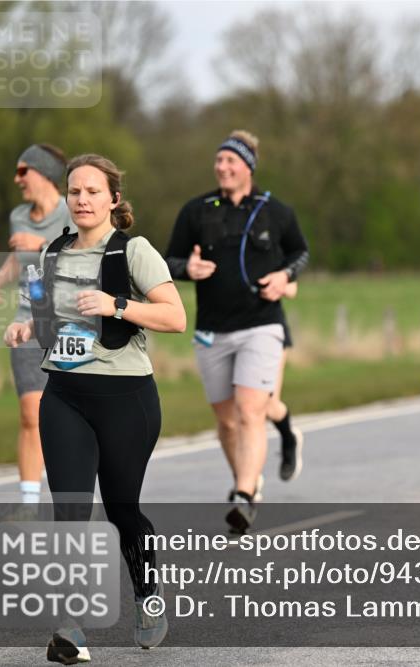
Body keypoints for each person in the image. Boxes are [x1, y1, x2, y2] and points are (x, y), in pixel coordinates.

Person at [4, 154, 186, 662]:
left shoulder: (134, 251)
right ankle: (70, 629)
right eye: (74, 191)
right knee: (70, 510)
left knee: (123, 509)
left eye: (92, 191)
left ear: (112, 199)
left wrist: (117, 306)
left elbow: (176, 317)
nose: (81, 200)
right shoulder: (52, 252)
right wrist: (24, 327)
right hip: (64, 394)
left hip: (127, 399)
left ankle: (148, 596)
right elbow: (35, 310)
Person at [165, 130, 309, 534]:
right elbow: (167, 260)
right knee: (227, 422)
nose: (222, 167)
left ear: (248, 166)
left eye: (231, 161)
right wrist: (186, 270)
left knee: (251, 412)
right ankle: (247, 479)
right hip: (212, 329)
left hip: (261, 324)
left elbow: (301, 252)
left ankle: (244, 496)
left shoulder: (274, 210)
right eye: (218, 161)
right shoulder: (196, 211)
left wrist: (284, 275)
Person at [0, 144, 70, 506]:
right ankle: (30, 504)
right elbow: (20, 259)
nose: (18, 180)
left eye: (24, 171)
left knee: (70, 416)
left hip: (68, 321)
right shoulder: (19, 215)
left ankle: (76, 495)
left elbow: (85, 252)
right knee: (31, 413)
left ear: (44, 172)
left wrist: (42, 243)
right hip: (25, 318)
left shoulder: (73, 208)